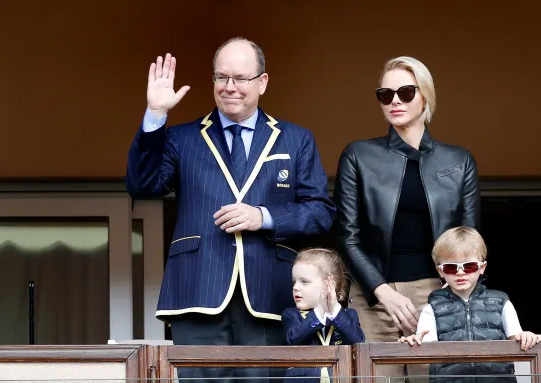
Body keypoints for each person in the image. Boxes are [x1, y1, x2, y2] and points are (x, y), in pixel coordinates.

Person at [125, 37, 336, 381]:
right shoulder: (183, 137)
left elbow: (320, 212)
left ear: (262, 82)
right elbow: (142, 185)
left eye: (240, 78)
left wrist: (264, 217)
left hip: (269, 294)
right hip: (197, 291)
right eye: (221, 78)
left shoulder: (296, 139)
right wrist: (156, 115)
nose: (229, 87)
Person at [333, 56, 480, 379]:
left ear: (425, 96)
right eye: (385, 94)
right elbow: (347, 235)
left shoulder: (459, 161)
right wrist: (383, 292)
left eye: (406, 92)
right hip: (373, 296)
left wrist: (449, 299)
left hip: (438, 296)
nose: (395, 101)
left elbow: (469, 242)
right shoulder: (358, 155)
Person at [399, 227, 541, 383]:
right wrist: (412, 342)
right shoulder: (432, 308)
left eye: (469, 266)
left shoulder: (501, 302)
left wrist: (526, 336)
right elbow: (425, 348)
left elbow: (518, 339)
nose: (460, 273)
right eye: (451, 267)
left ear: (482, 268)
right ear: (440, 271)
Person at [282, 248, 366, 382]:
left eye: (304, 281)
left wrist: (335, 311)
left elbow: (358, 341)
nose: (295, 287)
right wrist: (319, 311)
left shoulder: (348, 314)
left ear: (329, 285)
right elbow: (293, 339)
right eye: (294, 281)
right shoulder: (291, 315)